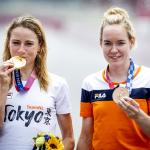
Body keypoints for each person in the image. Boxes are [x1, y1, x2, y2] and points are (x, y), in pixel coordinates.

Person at [77, 7, 150, 150]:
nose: (114, 50)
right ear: (100, 44)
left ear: (132, 42)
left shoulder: (147, 79)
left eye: (120, 43)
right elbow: (86, 136)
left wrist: (138, 116)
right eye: (108, 43)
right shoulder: (90, 83)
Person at [0, 15, 74, 150]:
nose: (21, 50)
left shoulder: (58, 84)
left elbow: (69, 138)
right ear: (8, 44)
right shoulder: (0, 80)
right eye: (16, 42)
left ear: (40, 46)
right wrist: (2, 90)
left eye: (28, 43)